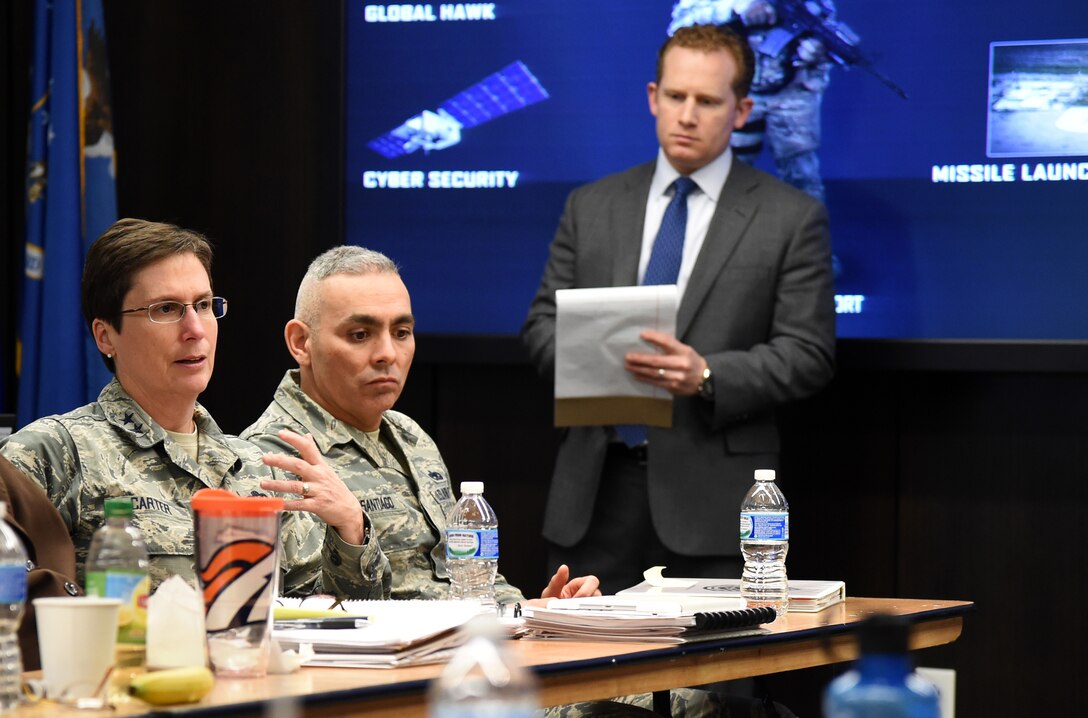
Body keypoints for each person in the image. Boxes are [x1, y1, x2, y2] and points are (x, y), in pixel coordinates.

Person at [521, 24, 835, 595]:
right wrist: (597, 352)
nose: (687, 115)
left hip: (713, 502)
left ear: (741, 111)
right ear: (652, 98)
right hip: (595, 494)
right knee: (584, 679)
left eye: (708, 101)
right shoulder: (590, 206)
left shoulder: (790, 218)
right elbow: (541, 327)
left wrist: (707, 375)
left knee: (711, 685)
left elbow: (808, 353)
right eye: (675, 97)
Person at [0, 218, 376, 597]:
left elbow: (326, 615)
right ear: (105, 335)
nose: (195, 329)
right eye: (166, 309)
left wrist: (351, 529)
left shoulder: (257, 467)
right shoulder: (53, 452)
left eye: (203, 305)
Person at [242, 245, 600, 606]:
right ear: (301, 343)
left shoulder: (410, 436)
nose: (388, 354)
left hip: (461, 648)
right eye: (360, 335)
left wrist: (532, 610)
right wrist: (352, 532)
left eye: (401, 332)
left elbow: (462, 575)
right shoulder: (268, 457)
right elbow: (308, 612)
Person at [669, 0, 833, 203]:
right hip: (733, 91)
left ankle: (807, 231)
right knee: (720, 175)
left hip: (791, 95)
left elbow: (825, 29)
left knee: (801, 176)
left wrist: (815, 51)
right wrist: (736, 11)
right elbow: (679, 27)